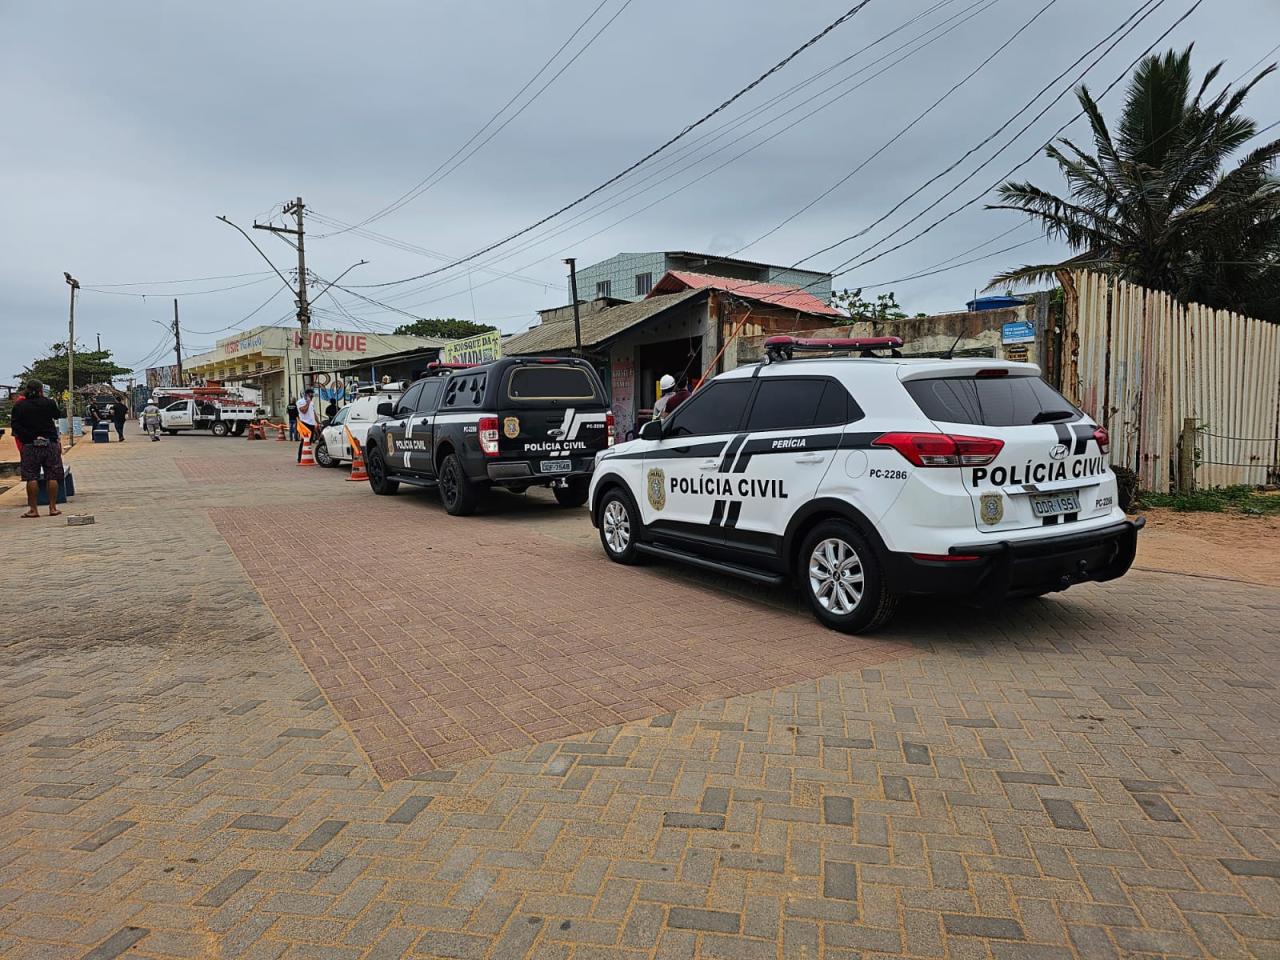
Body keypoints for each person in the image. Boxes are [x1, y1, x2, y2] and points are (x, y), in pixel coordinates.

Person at [12, 380, 65, 518]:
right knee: (52, 475)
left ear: (26, 390)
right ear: (41, 390)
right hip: (50, 443)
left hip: (30, 445)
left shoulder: (19, 406)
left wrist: (30, 437)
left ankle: (33, 510)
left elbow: (15, 426)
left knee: (31, 477)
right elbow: (58, 415)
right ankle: (53, 508)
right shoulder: (49, 403)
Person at [296, 388, 318, 462]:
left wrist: (318, 422)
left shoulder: (311, 402)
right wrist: (307, 403)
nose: (312, 397)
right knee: (304, 441)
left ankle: (306, 456)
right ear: (306, 395)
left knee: (310, 441)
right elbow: (304, 411)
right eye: (310, 395)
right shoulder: (300, 402)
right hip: (304, 423)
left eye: (312, 395)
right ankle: (300, 458)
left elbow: (314, 413)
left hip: (311, 424)